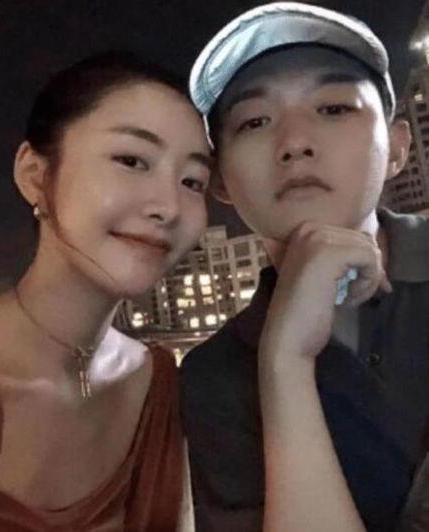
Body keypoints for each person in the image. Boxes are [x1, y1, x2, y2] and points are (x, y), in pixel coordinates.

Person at [0, 50, 212, 530]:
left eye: (193, 181)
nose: (168, 207)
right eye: (131, 160)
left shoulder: (159, 386)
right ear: (35, 175)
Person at [181, 3, 429, 531]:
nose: (294, 143)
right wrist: (284, 361)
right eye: (255, 121)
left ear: (397, 148)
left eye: (334, 108)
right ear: (220, 180)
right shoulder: (212, 377)